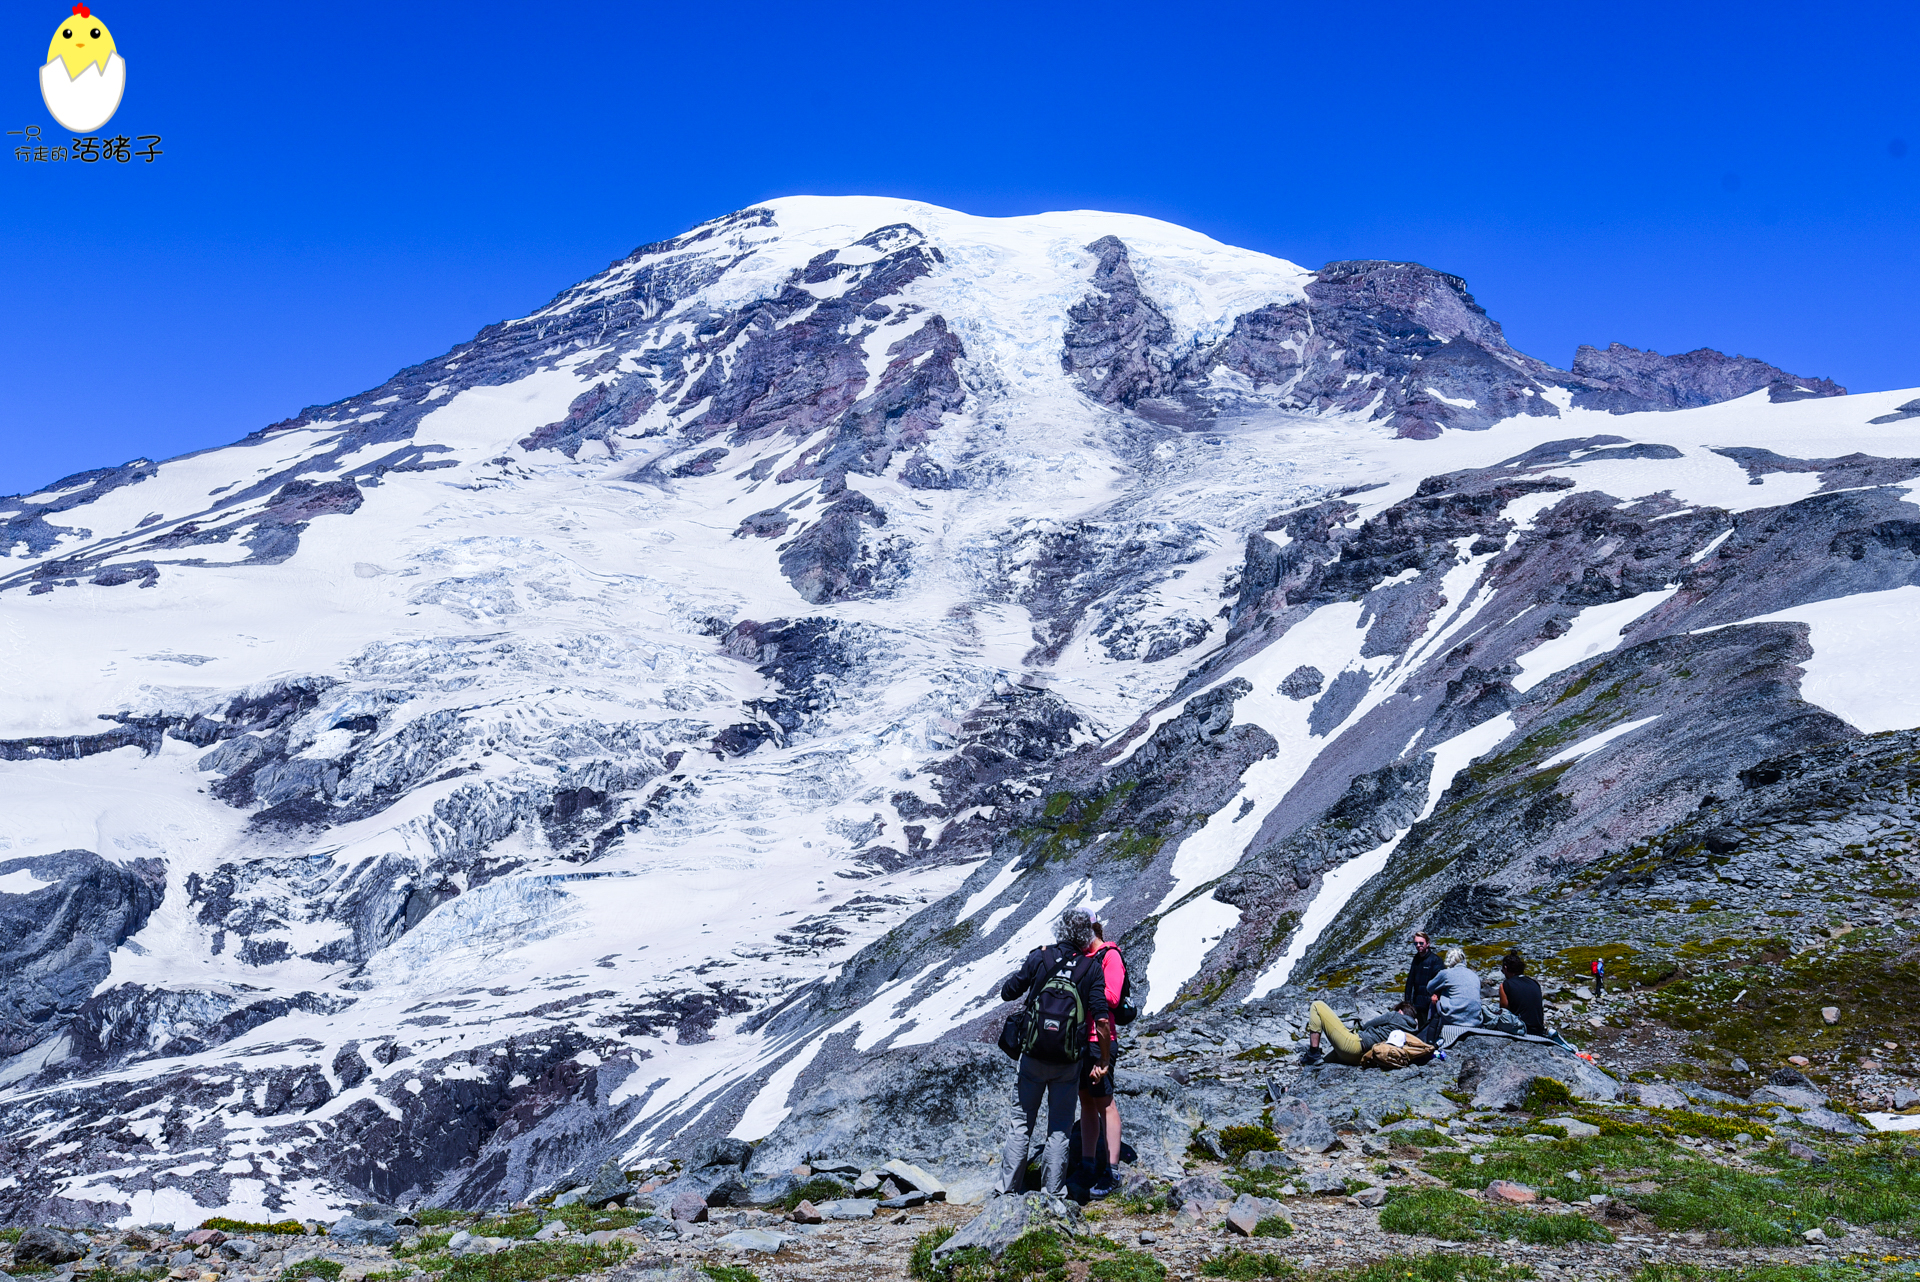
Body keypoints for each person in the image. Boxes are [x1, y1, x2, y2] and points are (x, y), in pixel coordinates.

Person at [995, 907, 1114, 1198]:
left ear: (1060, 930)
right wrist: (1103, 1059)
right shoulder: (1091, 967)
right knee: (1059, 1128)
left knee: (1021, 1122)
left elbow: (1008, 992)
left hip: (1033, 1055)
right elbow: (1100, 1020)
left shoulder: (1041, 955)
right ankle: (1053, 1194)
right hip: (1068, 1061)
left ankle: (1006, 1191)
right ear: (1087, 936)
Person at [1078, 917, 1127, 1198]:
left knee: (1105, 1102)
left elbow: (1113, 997)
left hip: (1101, 1039)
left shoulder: (1110, 956)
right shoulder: (1088, 956)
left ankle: (1111, 1170)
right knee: (1086, 1099)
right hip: (1082, 1038)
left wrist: (1086, 988)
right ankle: (1087, 1164)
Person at [1298, 1000, 1420, 1066]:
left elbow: (1368, 1025)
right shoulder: (1411, 1031)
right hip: (1361, 1059)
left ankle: (1313, 1053)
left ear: (1400, 1011)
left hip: (1354, 1046)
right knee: (1321, 1065)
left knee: (1317, 1005)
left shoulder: (1395, 1016)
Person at [1422, 947, 1481, 1039]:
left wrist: (1439, 992)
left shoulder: (1446, 973)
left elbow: (1429, 987)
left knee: (1434, 1000)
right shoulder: (1474, 975)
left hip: (1454, 1019)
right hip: (1475, 1020)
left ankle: (1430, 1032)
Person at [1490, 950, 1547, 1035]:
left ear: (1505, 968)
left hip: (1521, 1028)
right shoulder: (1534, 983)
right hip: (1538, 1029)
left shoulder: (1505, 985)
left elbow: (1504, 1011)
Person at [1404, 931, 1442, 1020]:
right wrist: (1407, 1002)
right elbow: (1410, 981)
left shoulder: (1436, 960)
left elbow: (1441, 981)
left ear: (1427, 944)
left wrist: (1437, 995)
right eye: (1416, 943)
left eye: (1421, 943)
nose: (1418, 945)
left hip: (1430, 1004)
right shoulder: (1416, 959)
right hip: (1417, 1003)